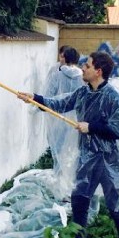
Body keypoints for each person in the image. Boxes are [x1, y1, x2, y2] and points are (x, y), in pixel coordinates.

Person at [18, 51, 119, 238]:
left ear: (98, 71)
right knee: (80, 199)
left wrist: (91, 127)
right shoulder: (83, 93)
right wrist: (35, 98)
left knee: (116, 206)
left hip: (111, 161)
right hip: (87, 157)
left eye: (88, 66)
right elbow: (60, 104)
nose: (83, 68)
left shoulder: (114, 98)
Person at [43, 46, 84, 188]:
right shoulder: (83, 77)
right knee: (74, 151)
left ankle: (59, 184)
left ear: (65, 58)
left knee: (58, 150)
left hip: (58, 116)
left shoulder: (57, 75)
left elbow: (48, 96)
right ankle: (73, 184)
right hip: (77, 119)